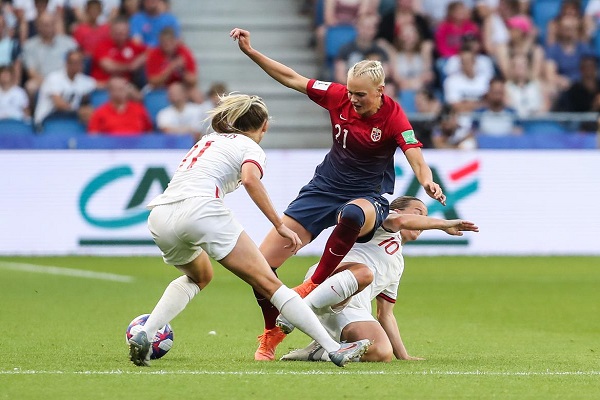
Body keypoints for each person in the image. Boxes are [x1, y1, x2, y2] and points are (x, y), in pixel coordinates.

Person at [230, 27, 446, 361]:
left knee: (353, 215)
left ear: (380, 91)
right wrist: (251, 52)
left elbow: (415, 157)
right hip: (323, 188)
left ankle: (313, 285)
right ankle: (272, 333)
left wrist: (427, 180)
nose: (353, 99)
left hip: (367, 195)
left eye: (361, 94)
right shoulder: (337, 95)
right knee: (262, 265)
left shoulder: (394, 116)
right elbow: (292, 78)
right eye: (351, 92)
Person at [127, 93, 372, 368]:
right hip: (200, 210)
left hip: (161, 214)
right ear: (264, 126)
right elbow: (250, 179)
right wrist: (279, 224)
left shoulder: (207, 140)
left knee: (199, 276)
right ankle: (334, 348)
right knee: (270, 284)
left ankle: (146, 334)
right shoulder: (250, 147)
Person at [277, 196, 479, 362]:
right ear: (397, 211)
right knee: (365, 273)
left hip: (352, 309)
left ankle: (319, 352)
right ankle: (298, 309)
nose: (423, 222)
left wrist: (403, 356)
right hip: (328, 282)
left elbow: (386, 314)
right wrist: (443, 224)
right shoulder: (382, 222)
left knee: (381, 352)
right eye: (419, 214)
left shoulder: (398, 264)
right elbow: (400, 221)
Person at [34, 48, 96, 127]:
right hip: (48, 118)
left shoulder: (83, 80)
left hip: (71, 119)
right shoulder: (54, 78)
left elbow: (102, 85)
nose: (79, 65)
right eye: (75, 62)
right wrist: (80, 111)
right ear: (67, 63)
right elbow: (59, 104)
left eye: (80, 62)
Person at [87, 76, 152, 135]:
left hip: (136, 146)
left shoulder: (139, 109)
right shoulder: (100, 112)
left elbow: (148, 132)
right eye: (117, 89)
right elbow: (93, 136)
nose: (120, 92)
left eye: (122, 89)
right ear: (109, 92)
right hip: (110, 146)